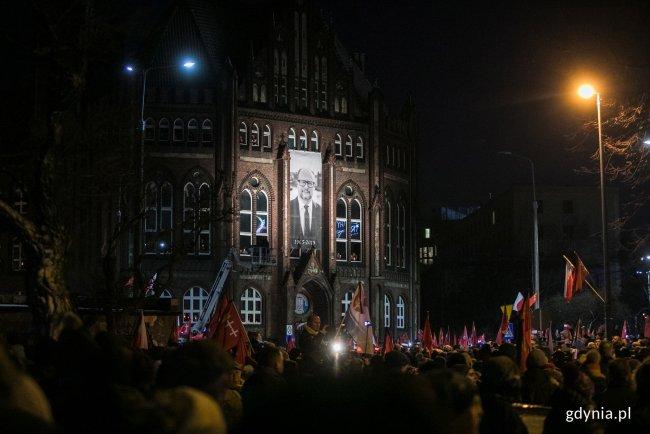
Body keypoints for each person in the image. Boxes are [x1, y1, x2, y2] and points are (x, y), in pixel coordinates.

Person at [290, 168, 322, 250]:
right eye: (303, 182)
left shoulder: (321, 210)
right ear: (297, 184)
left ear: (314, 187)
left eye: (310, 183)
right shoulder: (288, 207)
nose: (306, 187)